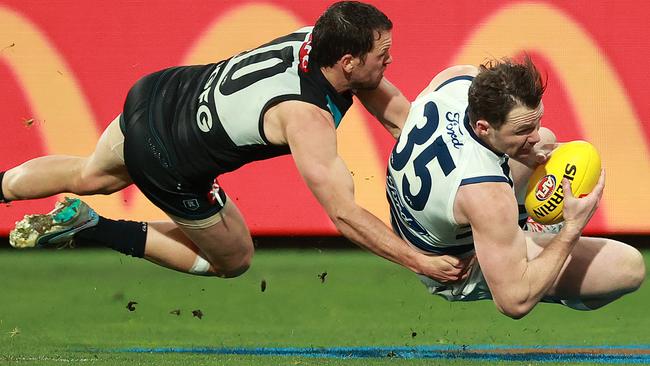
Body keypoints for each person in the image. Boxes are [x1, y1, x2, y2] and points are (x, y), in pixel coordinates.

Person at [1, 1, 470, 282]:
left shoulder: (319, 40)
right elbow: (344, 214)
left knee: (91, 174)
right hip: (168, 155)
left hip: (159, 92)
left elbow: (404, 121)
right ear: (348, 62)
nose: (392, 62)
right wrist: (420, 261)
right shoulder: (305, 117)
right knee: (235, 259)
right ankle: (92, 227)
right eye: (383, 56)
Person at [386, 56, 645, 319]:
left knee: (547, 141)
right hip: (453, 264)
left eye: (537, 120)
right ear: (483, 127)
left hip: (413, 219)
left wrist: (522, 143)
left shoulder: (456, 80)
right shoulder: (487, 194)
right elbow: (514, 302)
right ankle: (528, 252)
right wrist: (572, 228)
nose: (533, 136)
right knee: (628, 267)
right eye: (523, 129)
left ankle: (515, 233)